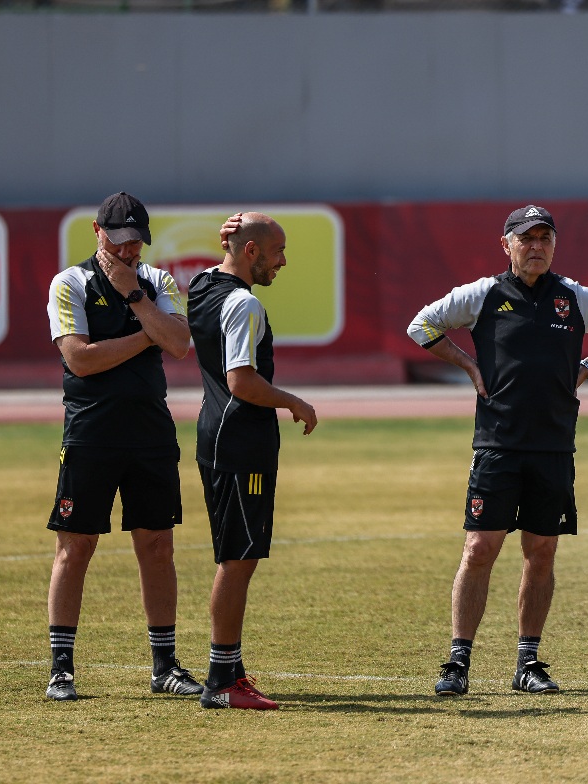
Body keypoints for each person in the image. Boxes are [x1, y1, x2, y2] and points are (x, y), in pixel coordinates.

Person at [408, 205, 588, 697]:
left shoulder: (574, 297)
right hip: (497, 444)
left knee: (541, 550)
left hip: (554, 445)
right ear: (506, 244)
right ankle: (458, 661)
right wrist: (470, 367)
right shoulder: (483, 294)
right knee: (479, 549)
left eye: (545, 238)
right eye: (526, 238)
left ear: (554, 245)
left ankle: (527, 662)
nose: (536, 247)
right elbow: (422, 327)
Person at [44, 192, 201, 701]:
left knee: (157, 545)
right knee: (76, 544)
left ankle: (165, 666)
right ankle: (62, 668)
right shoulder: (69, 283)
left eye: (137, 241)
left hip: (151, 434)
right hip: (90, 433)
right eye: (120, 241)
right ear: (98, 233)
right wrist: (145, 335)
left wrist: (135, 299)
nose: (129, 250)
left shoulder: (156, 283)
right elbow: (81, 360)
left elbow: (179, 343)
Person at [188, 212, 318, 710]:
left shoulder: (201, 286)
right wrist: (293, 401)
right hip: (241, 444)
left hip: (214, 436)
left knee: (233, 555)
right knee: (239, 560)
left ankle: (231, 667)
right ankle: (222, 679)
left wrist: (227, 237)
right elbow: (241, 380)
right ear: (251, 252)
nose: (282, 261)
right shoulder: (244, 304)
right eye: (277, 251)